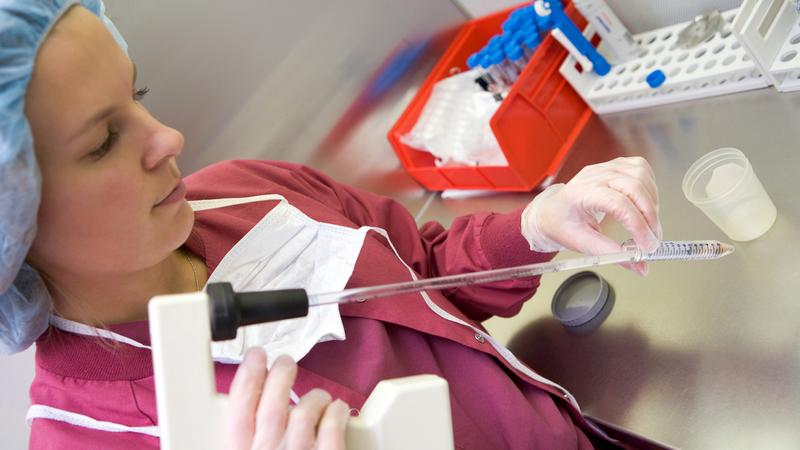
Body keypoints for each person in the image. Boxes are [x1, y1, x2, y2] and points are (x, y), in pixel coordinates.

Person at [0, 1, 664, 449]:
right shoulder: (80, 435)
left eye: (136, 97)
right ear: (15, 218)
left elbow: (423, 269)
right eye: (102, 140)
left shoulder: (246, 189)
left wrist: (535, 229)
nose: (168, 138)